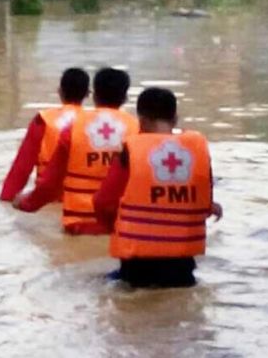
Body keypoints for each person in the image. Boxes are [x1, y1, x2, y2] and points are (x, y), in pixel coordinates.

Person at [95, 87, 223, 288]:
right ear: (175, 119)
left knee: (96, 284)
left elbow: (103, 201)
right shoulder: (197, 149)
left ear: (142, 120)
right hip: (182, 265)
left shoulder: (130, 150)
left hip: (137, 265)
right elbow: (202, 202)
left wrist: (113, 226)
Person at [12, 68, 139, 236]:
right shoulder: (139, 130)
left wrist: (24, 203)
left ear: (94, 96)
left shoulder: (73, 129)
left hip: (79, 225)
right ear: (125, 98)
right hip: (122, 226)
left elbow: (50, 184)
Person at [0, 68, 91, 203]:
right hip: (81, 199)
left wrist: (6, 198)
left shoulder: (43, 120)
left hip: (46, 198)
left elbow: (22, 167)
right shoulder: (94, 123)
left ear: (60, 91)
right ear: (88, 94)